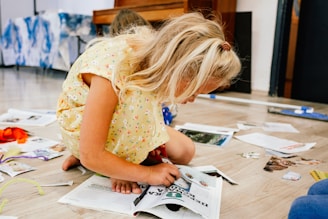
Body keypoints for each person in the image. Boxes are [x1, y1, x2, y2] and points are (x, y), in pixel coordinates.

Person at [56, 12, 241, 194]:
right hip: (83, 128)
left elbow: (139, 109)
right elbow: (92, 156)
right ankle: (101, 156)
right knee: (98, 156)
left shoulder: (155, 63)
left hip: (121, 121)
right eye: (194, 91)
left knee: (185, 151)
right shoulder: (111, 70)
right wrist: (146, 173)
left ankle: (109, 157)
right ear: (178, 70)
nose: (192, 99)